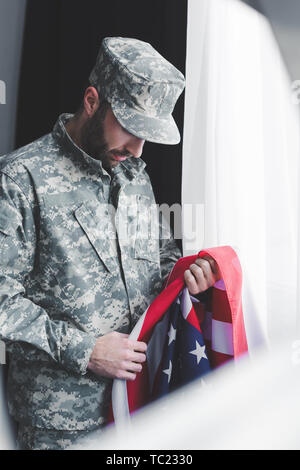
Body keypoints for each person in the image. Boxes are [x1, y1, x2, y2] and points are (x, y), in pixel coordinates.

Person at [0, 37, 219, 450]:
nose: (137, 148)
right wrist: (86, 350)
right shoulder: (19, 179)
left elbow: (159, 258)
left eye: (148, 134)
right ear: (91, 100)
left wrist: (187, 275)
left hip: (141, 404)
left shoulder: (135, 175)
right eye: (131, 128)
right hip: (61, 424)